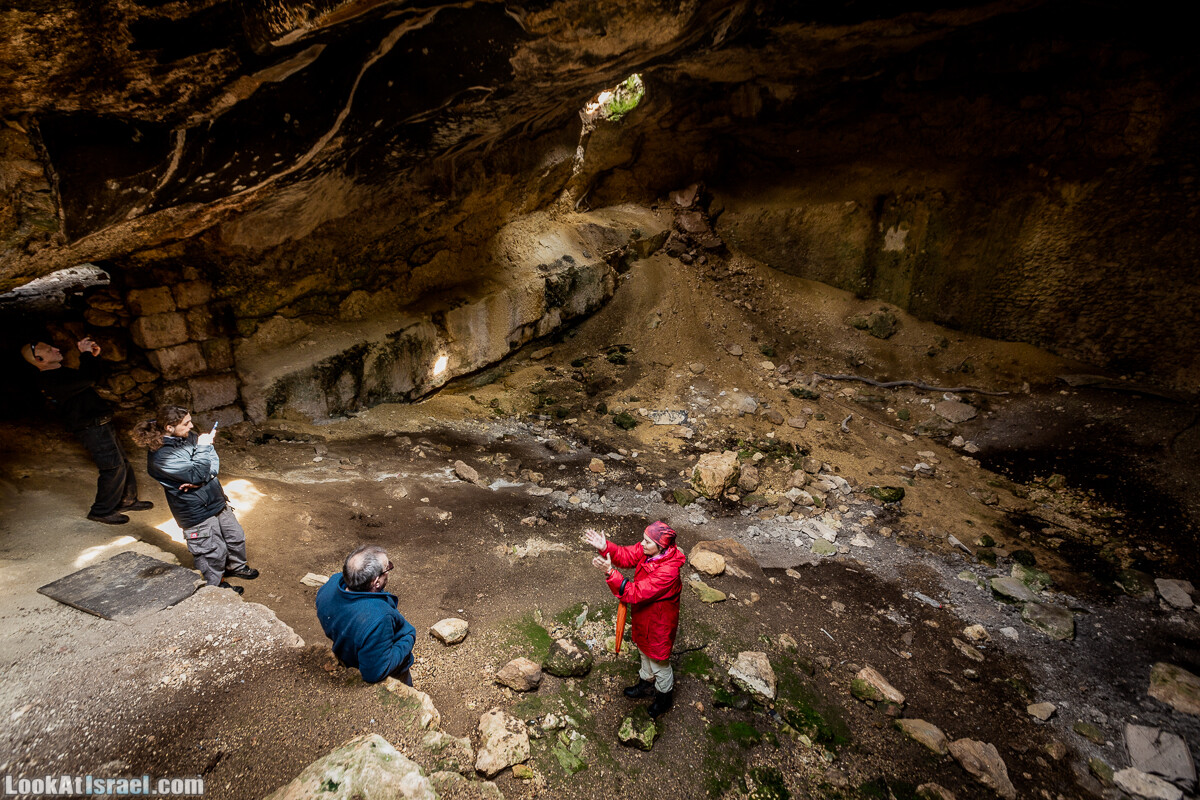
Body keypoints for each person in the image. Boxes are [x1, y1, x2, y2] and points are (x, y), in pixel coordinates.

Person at [22, 336, 152, 524]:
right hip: (91, 428)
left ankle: (126, 500)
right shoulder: (49, 381)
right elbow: (88, 378)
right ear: (39, 360)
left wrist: (92, 357)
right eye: (49, 350)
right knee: (112, 467)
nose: (56, 349)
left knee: (122, 462)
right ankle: (100, 511)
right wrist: (85, 354)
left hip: (100, 423)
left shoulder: (60, 372)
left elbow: (89, 378)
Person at [132, 406, 258, 594]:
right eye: (186, 423)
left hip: (215, 498)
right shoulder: (161, 457)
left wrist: (201, 478)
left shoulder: (188, 436)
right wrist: (203, 452)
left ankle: (236, 567)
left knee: (235, 536)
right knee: (211, 551)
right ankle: (215, 586)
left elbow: (211, 462)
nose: (191, 426)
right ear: (169, 427)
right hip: (195, 509)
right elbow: (200, 468)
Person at [583, 521, 686, 718]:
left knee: (659, 662)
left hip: (659, 625)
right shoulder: (650, 550)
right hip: (645, 618)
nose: (642, 544)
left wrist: (610, 573)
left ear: (661, 546)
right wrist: (606, 548)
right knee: (643, 651)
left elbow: (635, 593)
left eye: (647, 541)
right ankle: (645, 684)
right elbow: (627, 555)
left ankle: (664, 697)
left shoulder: (668, 572)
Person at [316, 545, 417, 686]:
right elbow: (375, 671)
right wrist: (408, 637)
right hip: (386, 670)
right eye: (387, 568)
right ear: (376, 582)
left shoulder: (330, 586)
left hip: (347, 651)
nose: (388, 572)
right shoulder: (378, 618)